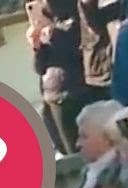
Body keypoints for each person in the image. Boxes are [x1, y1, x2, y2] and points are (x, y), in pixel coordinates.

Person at [31, 0, 115, 154]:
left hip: (83, 90)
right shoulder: (44, 15)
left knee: (98, 152)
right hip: (55, 97)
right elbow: (39, 68)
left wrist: (54, 35)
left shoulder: (77, 8)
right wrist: (37, 46)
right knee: (70, 155)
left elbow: (87, 42)